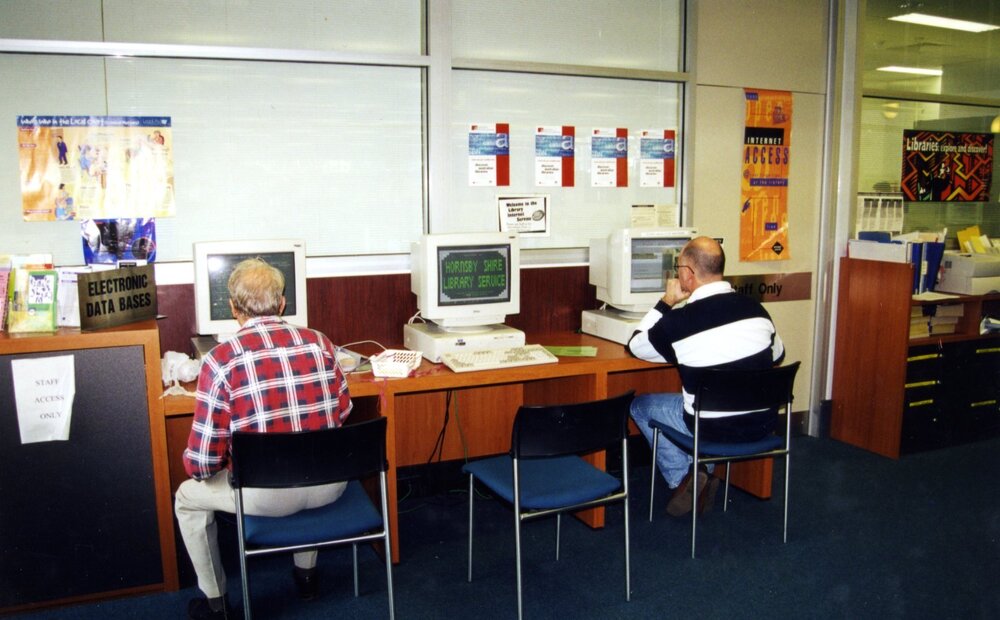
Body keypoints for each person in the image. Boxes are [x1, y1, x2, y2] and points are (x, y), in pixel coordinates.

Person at [175, 258, 353, 620]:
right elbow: (344, 411)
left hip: (264, 494)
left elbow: (201, 464)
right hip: (329, 483)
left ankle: (216, 603)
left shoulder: (219, 360)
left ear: (233, 309)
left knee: (187, 498)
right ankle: (307, 577)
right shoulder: (320, 343)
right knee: (309, 455)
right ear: (283, 304)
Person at [627, 236, 784, 517]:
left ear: (687, 273)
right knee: (708, 402)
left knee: (639, 406)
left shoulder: (679, 323)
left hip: (711, 428)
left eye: (678, 269)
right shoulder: (757, 310)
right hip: (762, 423)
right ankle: (699, 472)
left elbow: (636, 345)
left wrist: (666, 302)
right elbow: (777, 355)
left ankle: (684, 481)